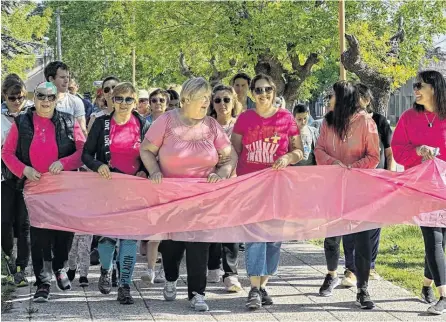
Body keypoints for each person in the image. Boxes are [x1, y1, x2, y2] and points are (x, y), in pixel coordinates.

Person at [140, 77, 236, 311]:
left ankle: (197, 293)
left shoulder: (211, 126)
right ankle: (171, 278)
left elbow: (230, 155)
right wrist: (154, 171)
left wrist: (221, 173)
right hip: (171, 197)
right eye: (201, 98)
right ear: (185, 100)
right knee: (172, 247)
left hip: (202, 198)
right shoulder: (166, 121)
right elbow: (146, 149)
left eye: (207, 98)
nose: (206, 103)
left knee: (199, 246)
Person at [2, 81, 86, 302]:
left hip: (63, 188)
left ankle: (60, 266)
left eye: (50, 97)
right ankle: (42, 282)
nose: (46, 101)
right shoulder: (21, 122)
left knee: (64, 232)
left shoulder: (69, 121)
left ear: (56, 99)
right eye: (41, 96)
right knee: (39, 235)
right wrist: (24, 169)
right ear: (34, 97)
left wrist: (65, 163)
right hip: (35, 187)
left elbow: (82, 151)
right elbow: (7, 154)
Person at [231, 73, 304, 310]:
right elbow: (234, 150)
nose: (263, 94)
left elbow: (299, 151)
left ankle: (263, 285)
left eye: (267, 90)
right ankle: (253, 287)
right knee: (254, 237)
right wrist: (227, 175)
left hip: (278, 187)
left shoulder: (286, 118)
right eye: (259, 90)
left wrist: (287, 157)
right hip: (250, 187)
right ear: (252, 93)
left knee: (274, 240)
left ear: (274, 92)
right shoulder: (245, 118)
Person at [82, 82, 149, 305]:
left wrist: (144, 171)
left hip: (132, 189)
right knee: (107, 237)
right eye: (119, 99)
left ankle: (125, 285)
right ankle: (106, 269)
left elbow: (150, 154)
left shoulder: (141, 123)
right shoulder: (101, 123)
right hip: (107, 188)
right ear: (112, 100)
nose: (123, 104)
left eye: (128, 99)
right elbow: (86, 155)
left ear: (135, 102)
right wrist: (98, 165)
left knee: (129, 238)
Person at [314, 81, 380, 309]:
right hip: (333, 187)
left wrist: (353, 169)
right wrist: (335, 163)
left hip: (359, 189)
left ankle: (363, 288)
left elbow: (373, 156)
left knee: (361, 238)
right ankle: (331, 274)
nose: (328, 98)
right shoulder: (327, 121)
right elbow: (319, 149)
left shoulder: (365, 122)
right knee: (332, 236)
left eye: (331, 95)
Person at [391, 70, 446, 315]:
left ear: (434, 87)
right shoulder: (408, 117)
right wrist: (418, 151)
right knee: (432, 238)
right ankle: (444, 296)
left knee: (441, 241)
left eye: (419, 85)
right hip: (423, 187)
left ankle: (426, 285)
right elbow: (398, 148)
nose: (415, 89)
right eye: (414, 85)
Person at [341, 83, 397, 288]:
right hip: (351, 181)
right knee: (349, 223)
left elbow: (389, 154)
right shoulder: (345, 122)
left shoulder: (380, 121)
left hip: (376, 180)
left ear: (368, 100)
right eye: (353, 97)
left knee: (373, 224)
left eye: (360, 97)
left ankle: (370, 266)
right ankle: (350, 268)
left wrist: (390, 178)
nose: (356, 101)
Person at [207, 84, 242, 292]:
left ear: (234, 102)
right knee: (211, 226)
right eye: (217, 100)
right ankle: (212, 267)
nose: (222, 104)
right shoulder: (206, 125)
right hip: (210, 182)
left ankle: (231, 274)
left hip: (234, 183)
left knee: (230, 228)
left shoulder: (240, 126)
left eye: (226, 100)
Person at [1, 74, 31, 287]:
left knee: (25, 224)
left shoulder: (31, 115)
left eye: (20, 97)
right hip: (4, 177)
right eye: (12, 98)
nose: (17, 101)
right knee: (4, 223)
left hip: (27, 176)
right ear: (4, 96)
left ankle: (21, 268)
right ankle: (8, 260)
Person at [44, 61, 87, 136]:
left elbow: (82, 132)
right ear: (51, 79)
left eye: (68, 77)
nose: (67, 81)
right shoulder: (39, 103)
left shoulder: (75, 101)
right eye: (62, 77)